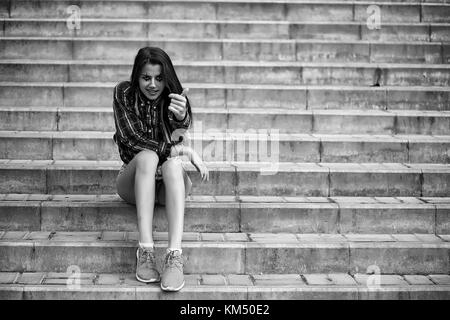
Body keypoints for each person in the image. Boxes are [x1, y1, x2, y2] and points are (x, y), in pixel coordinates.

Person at [112, 46, 208, 292]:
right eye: (146, 78)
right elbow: (131, 139)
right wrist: (183, 151)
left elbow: (177, 137)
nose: (153, 84)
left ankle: (174, 256)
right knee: (146, 157)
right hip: (134, 181)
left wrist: (181, 118)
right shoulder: (124, 93)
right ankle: (145, 251)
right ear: (137, 77)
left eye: (159, 78)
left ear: (167, 78)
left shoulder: (174, 98)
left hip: (168, 186)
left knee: (173, 165)